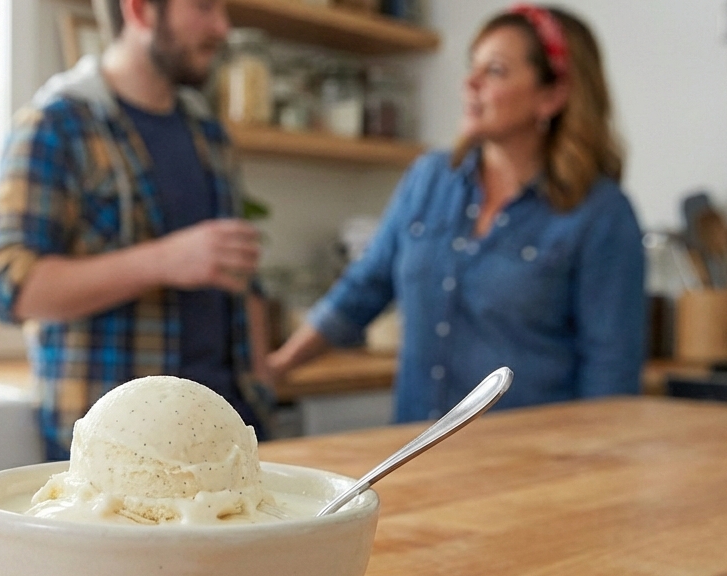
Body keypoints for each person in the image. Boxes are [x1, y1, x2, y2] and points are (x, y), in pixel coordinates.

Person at [267, 5, 645, 423]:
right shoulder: (429, 178)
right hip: (419, 453)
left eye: (495, 71)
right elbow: (363, 289)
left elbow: (611, 376)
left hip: (535, 466)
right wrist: (278, 367)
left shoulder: (602, 214)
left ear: (552, 95)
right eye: (473, 66)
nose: (470, 83)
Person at [0, 0, 272, 460]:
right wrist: (162, 260)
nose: (223, 27)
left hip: (229, 428)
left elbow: (240, 274)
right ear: (140, 10)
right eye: (203, 7)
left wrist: (262, 379)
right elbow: (12, 288)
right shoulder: (54, 125)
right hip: (116, 449)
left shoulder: (209, 133)